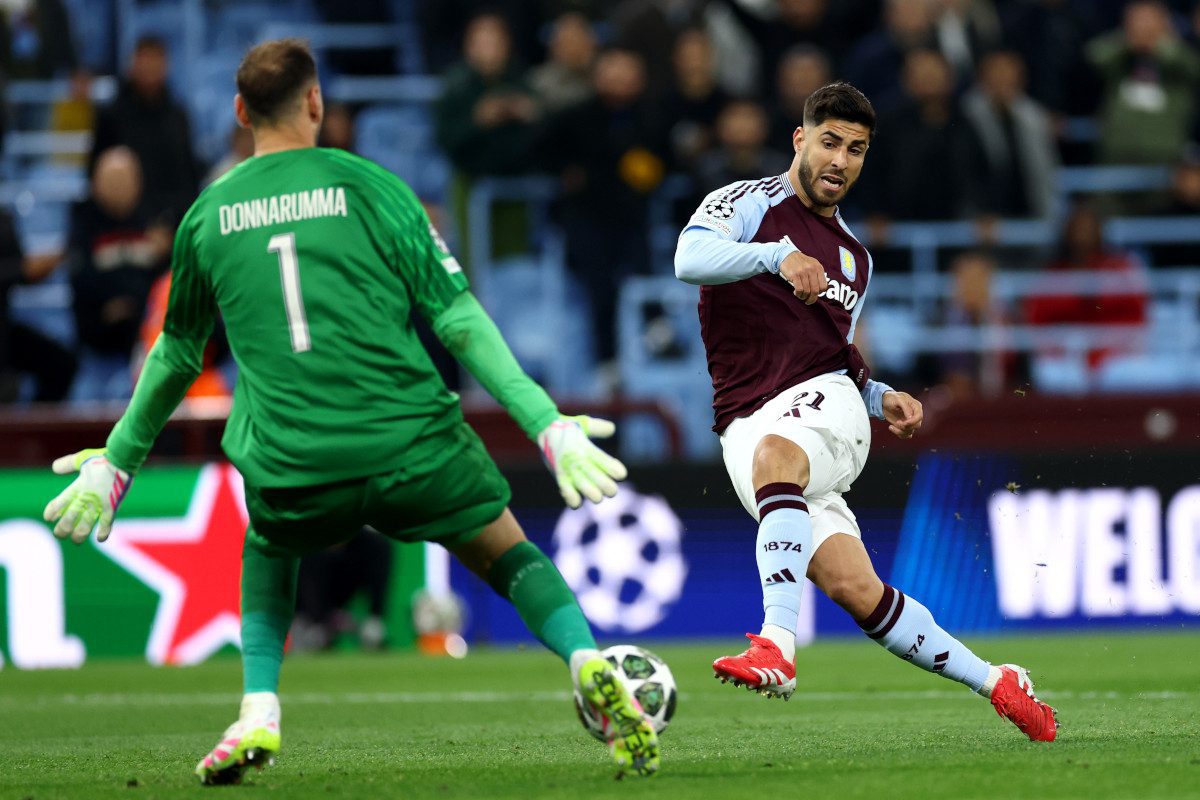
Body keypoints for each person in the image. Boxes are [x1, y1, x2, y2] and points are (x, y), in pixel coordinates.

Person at [42, 39, 658, 784]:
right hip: (412, 445)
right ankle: (586, 660)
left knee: (269, 546)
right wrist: (545, 422)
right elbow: (457, 317)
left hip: (297, 461)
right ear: (315, 103)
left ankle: (259, 707)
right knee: (504, 550)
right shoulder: (372, 186)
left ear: (240, 113)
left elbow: (175, 354)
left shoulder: (206, 217)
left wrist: (117, 462)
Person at [673, 81, 1058, 742]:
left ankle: (775, 646)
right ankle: (997, 681)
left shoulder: (854, 258)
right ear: (801, 140)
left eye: (855, 150)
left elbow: (833, 356)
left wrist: (876, 397)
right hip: (744, 424)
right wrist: (776, 256)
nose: (840, 160)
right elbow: (689, 259)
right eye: (830, 142)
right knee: (858, 591)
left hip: (814, 414)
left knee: (778, 457)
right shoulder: (745, 203)